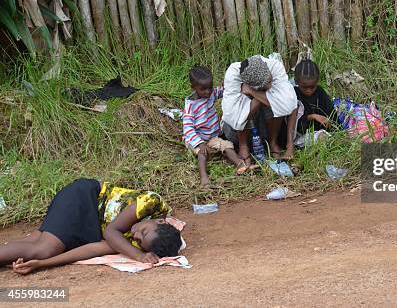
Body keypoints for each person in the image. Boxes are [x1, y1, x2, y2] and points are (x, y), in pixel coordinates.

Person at [5, 178, 182, 275]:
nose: (136, 235)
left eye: (139, 241)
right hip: (86, 198)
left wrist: (42, 264)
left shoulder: (142, 243)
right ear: (160, 221)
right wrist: (138, 255)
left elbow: (92, 249)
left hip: (90, 224)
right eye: (143, 231)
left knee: (37, 247)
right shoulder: (153, 203)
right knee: (45, 248)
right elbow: (111, 231)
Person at [221, 55, 298, 162]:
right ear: (250, 84)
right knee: (244, 102)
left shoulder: (275, 66)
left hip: (266, 127)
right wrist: (258, 96)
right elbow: (235, 118)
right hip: (238, 132)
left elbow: (290, 104)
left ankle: (273, 142)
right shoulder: (233, 74)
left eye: (270, 80)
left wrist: (254, 92)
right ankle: (244, 147)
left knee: (283, 100)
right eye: (266, 84)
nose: (270, 85)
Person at [183, 66, 247, 184]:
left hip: (212, 137)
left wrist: (230, 86)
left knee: (227, 145)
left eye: (210, 87)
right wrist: (200, 144)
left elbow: (223, 91)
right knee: (202, 154)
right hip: (196, 139)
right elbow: (188, 129)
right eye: (203, 89)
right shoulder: (190, 106)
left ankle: (240, 164)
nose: (208, 91)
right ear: (193, 88)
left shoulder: (211, 94)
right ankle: (204, 178)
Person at [294, 59, 337, 134]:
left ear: (317, 82)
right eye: (305, 87)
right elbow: (291, 122)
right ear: (296, 81)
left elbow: (332, 116)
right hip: (299, 133)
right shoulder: (293, 94)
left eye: (312, 87)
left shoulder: (320, 92)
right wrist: (311, 116)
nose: (309, 90)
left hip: (320, 132)